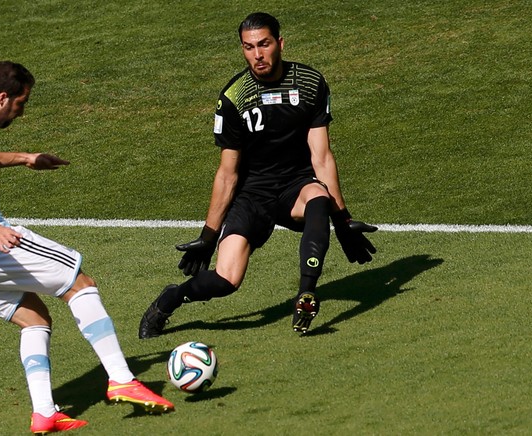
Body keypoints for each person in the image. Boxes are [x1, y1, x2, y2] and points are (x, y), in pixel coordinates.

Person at [0, 61, 173, 435]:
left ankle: (44, 413)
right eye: (21, 103)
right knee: (80, 282)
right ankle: (122, 379)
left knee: (35, 318)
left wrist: (27, 158)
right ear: (3, 97)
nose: (22, 111)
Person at [139, 12, 377, 339]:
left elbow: (321, 157)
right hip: (252, 195)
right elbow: (228, 173)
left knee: (319, 199)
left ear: (280, 43)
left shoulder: (310, 83)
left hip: (296, 186)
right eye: (249, 47)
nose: (257, 55)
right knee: (226, 280)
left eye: (263, 44)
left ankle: (305, 295)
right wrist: (208, 237)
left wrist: (343, 220)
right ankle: (172, 297)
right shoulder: (234, 97)